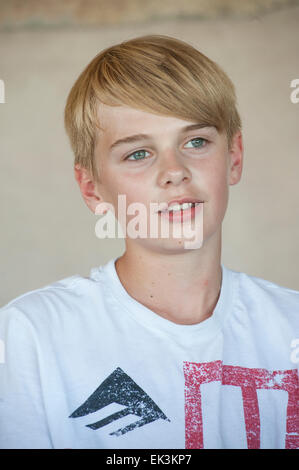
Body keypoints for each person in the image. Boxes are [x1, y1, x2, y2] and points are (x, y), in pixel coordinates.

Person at [0, 35, 298, 450]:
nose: (174, 172)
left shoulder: (292, 325)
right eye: (138, 153)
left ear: (234, 156)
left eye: (195, 142)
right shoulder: (30, 337)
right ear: (91, 188)